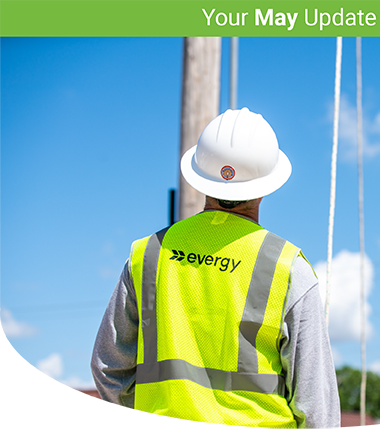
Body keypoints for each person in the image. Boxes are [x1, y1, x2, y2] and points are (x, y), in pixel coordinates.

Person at [91, 108, 341, 428]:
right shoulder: (288, 268)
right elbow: (316, 404)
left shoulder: (148, 256)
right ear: (267, 185)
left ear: (200, 175)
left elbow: (109, 369)